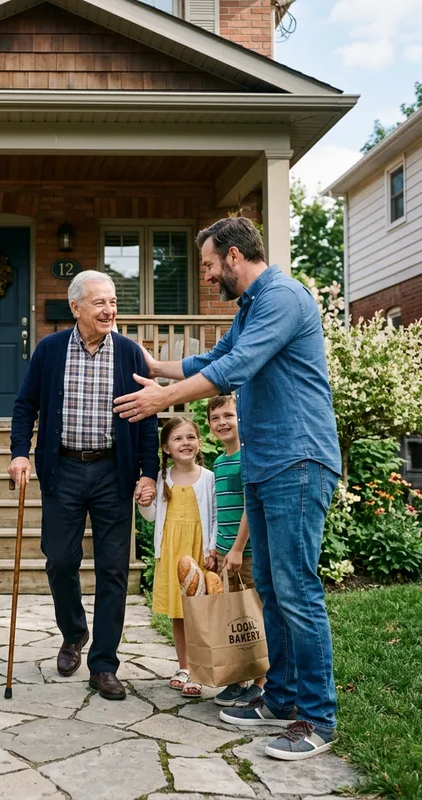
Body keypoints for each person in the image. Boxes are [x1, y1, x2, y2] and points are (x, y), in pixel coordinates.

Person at [114, 217, 341, 760]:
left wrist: (161, 402)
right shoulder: (251, 307)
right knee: (270, 586)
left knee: (296, 589)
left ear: (235, 256)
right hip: (267, 464)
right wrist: (155, 368)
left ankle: (317, 717)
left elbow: (233, 369)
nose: (209, 275)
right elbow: (210, 360)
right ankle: (281, 697)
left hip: (298, 459)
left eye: (211, 265)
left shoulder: (282, 297)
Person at [8, 270, 158, 701]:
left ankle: (104, 665)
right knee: (59, 559)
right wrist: (20, 452)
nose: (109, 310)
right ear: (76, 308)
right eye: (99, 303)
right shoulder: (50, 350)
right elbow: (25, 406)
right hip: (64, 469)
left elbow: (146, 417)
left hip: (114, 471)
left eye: (112, 301)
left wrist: (149, 471)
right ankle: (74, 633)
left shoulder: (130, 354)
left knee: (114, 569)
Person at [137, 416, 216, 698]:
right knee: (179, 614)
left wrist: (213, 548)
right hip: (171, 553)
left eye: (190, 437)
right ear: (166, 448)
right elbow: (152, 517)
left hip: (198, 552)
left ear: (199, 442)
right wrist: (143, 501)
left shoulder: (208, 478)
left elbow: (216, 517)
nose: (186, 443)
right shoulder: (161, 478)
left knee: (200, 615)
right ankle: (183, 667)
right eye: (178, 439)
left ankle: (199, 670)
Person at [206, 393, 266, 707]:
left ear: (241, 419)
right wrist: (218, 549)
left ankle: (261, 681)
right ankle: (238, 679)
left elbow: (250, 508)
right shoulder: (219, 461)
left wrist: (238, 548)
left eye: (228, 416)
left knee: (253, 615)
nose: (222, 423)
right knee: (233, 618)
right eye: (216, 418)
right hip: (225, 553)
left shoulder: (249, 457)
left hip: (247, 552)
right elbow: (221, 510)